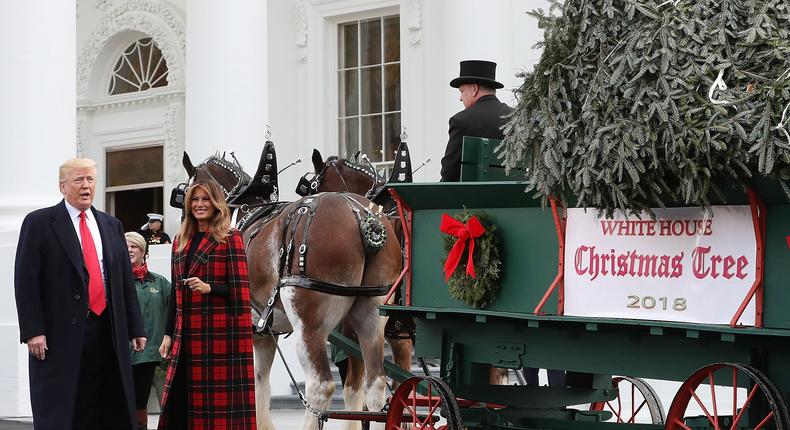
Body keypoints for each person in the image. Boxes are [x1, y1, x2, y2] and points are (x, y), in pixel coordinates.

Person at [14, 158, 147, 430]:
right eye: (79, 180)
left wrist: (136, 327)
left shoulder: (111, 225)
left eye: (90, 180)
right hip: (59, 333)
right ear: (63, 187)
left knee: (106, 403)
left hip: (107, 329)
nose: (86, 186)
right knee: (64, 406)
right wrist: (33, 331)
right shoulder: (39, 223)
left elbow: (123, 280)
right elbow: (26, 281)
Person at [157, 179, 256, 429]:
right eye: (195, 200)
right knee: (177, 403)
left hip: (218, 339)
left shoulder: (229, 238)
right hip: (185, 336)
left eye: (205, 200)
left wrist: (209, 287)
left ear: (216, 204)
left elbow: (242, 292)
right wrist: (168, 334)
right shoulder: (180, 240)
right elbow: (175, 290)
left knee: (214, 413)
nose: (200, 205)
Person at [126, 231, 171, 430]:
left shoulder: (159, 282)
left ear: (143, 251)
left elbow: (176, 309)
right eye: (125, 246)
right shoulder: (116, 282)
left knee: (163, 403)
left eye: (133, 246)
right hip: (127, 355)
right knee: (131, 401)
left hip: (157, 355)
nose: (129, 250)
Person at [440, 59, 513, 182]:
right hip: (514, 197)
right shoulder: (516, 116)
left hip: (472, 199)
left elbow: (449, 173)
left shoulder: (461, 121)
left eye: (462, 91)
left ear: (474, 89)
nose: (460, 98)